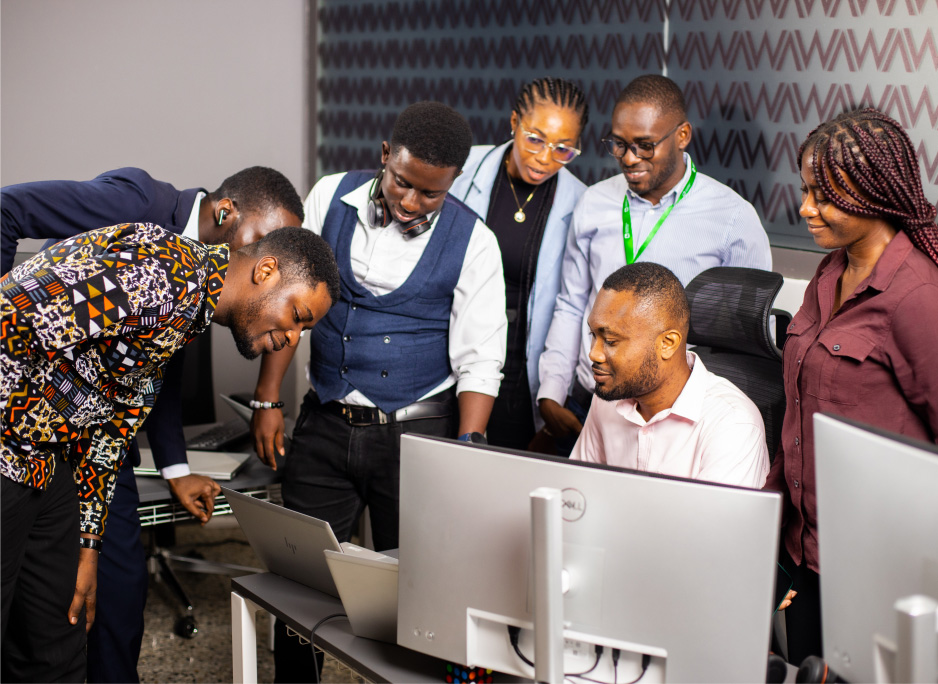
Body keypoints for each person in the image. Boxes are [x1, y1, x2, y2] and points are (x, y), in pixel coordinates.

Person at [0, 165, 305, 683]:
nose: (293, 338)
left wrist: (88, 542)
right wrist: (37, 428)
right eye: (297, 316)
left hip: (55, 464)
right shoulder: (159, 268)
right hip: (15, 452)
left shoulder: (188, 309)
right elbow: (13, 320)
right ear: (267, 268)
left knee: (59, 638)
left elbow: (110, 430)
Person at [251, 101, 506, 682]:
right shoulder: (329, 197)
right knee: (301, 585)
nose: (410, 201)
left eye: (429, 194)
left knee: (417, 597)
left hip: (417, 437)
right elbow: (289, 307)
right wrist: (269, 399)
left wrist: (466, 448)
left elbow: (480, 359)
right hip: (324, 423)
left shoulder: (475, 242)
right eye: (402, 182)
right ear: (385, 156)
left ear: (453, 183)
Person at [764, 108, 938, 665]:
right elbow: (799, 413)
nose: (805, 208)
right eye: (806, 190)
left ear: (874, 196)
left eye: (824, 196)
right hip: (806, 550)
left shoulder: (916, 297)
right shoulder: (830, 270)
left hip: (881, 566)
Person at [537, 74, 772, 455]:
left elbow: (743, 343)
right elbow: (571, 302)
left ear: (682, 135)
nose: (630, 158)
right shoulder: (593, 203)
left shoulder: (732, 219)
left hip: (676, 419)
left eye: (645, 146)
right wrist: (551, 391)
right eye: (619, 144)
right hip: (589, 400)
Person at [450, 77, 588, 450]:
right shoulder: (462, 169)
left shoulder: (581, 203)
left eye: (564, 149)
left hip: (521, 372)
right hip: (451, 356)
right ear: (514, 123)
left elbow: (573, 305)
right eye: (535, 139)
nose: (545, 158)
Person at [571, 262, 769, 488]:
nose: (593, 354)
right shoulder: (608, 395)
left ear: (667, 343)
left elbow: (712, 524)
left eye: (611, 341)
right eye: (593, 335)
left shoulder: (733, 425)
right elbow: (578, 494)